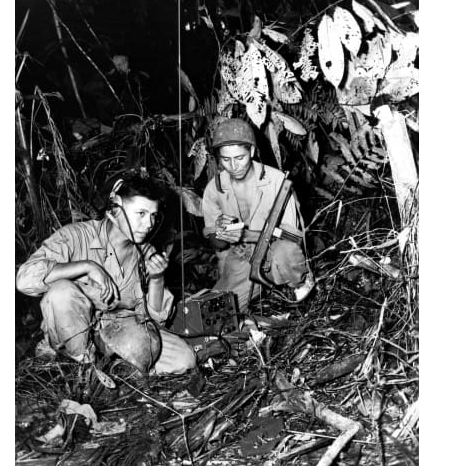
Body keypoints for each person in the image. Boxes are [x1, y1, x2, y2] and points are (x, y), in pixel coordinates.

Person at [16, 174, 196, 376]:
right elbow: (24, 280)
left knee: (184, 359)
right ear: (115, 209)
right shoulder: (77, 236)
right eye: (141, 213)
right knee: (61, 293)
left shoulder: (146, 254)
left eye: (153, 215)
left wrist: (157, 278)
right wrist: (87, 266)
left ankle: (112, 367)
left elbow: (156, 320)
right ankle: (84, 368)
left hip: (119, 328)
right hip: (74, 327)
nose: (148, 224)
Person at [202, 118, 314, 313]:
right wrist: (221, 233)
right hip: (240, 259)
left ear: (252, 152)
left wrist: (245, 235)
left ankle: (298, 285)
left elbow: (293, 237)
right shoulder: (215, 188)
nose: (234, 166)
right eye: (226, 160)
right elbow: (216, 243)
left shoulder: (276, 180)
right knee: (214, 312)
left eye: (240, 158)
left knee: (286, 253)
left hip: (274, 254)